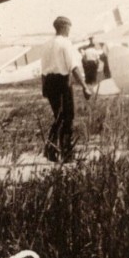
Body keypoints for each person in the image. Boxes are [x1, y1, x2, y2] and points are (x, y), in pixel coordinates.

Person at [42, 15, 89, 163]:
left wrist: (43, 87)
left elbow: (43, 70)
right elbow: (73, 67)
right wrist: (85, 87)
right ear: (65, 27)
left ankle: (51, 150)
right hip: (61, 82)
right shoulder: (65, 43)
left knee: (58, 116)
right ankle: (67, 153)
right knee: (67, 117)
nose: (69, 30)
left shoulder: (47, 44)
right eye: (69, 27)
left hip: (49, 82)